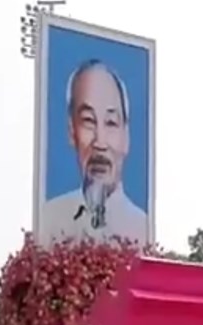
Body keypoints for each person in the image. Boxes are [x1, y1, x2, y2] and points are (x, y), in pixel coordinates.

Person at [41, 59, 148, 245]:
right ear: (72, 131)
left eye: (111, 122)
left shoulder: (142, 229)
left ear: (126, 136)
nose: (100, 142)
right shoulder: (49, 222)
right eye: (89, 121)